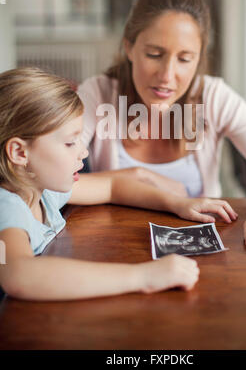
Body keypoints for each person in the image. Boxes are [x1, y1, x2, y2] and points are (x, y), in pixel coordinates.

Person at [77, 0, 246, 260]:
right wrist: (135, 177)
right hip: (116, 253)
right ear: (129, 48)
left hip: (200, 262)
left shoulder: (214, 97)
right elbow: (51, 180)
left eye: (184, 59)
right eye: (154, 55)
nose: (167, 75)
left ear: (198, 60)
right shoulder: (97, 94)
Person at [0, 66, 231, 302]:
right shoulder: (7, 207)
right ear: (19, 152)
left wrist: (177, 203)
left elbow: (113, 186)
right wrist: (143, 276)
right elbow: (20, 275)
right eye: (70, 143)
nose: (83, 151)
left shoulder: (41, 190)